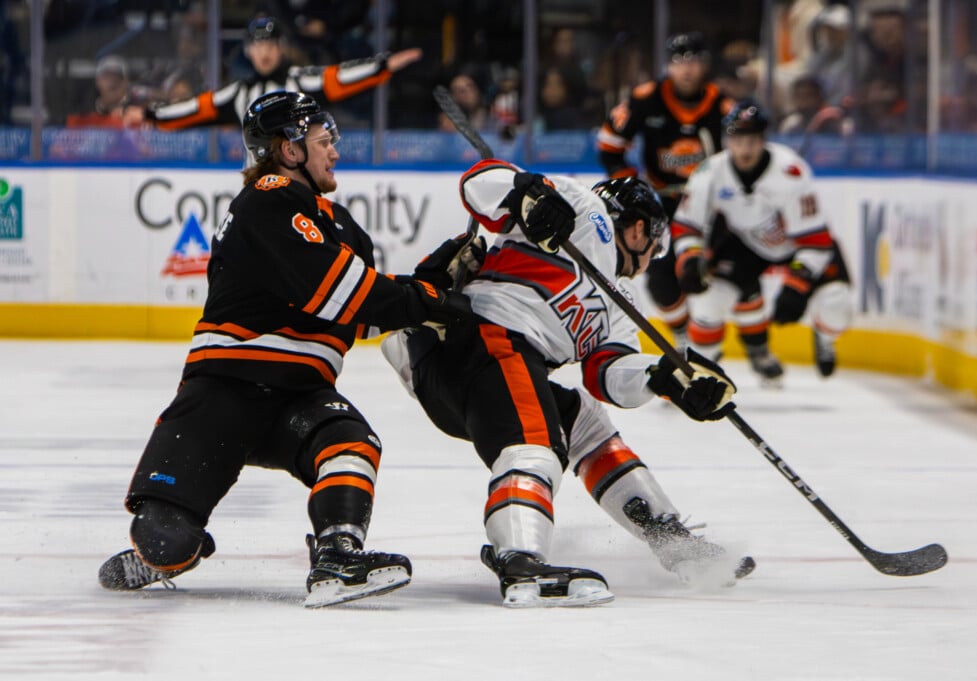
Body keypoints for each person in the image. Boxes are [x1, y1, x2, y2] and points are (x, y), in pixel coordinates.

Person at [97, 91, 471, 608]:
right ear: (289, 150)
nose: (334, 150)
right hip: (225, 393)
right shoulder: (265, 202)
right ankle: (167, 556)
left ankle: (337, 556)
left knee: (351, 443)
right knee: (166, 537)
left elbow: (362, 314)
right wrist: (431, 299)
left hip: (298, 395)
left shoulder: (343, 226)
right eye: (322, 140)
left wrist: (434, 281)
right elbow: (344, 292)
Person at [381, 166, 755, 608]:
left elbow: (608, 375)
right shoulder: (583, 207)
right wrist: (524, 193)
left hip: (480, 373)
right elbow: (477, 183)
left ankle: (670, 538)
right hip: (478, 342)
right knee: (535, 446)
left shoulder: (620, 302)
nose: (649, 260)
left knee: (586, 425)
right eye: (653, 247)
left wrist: (663, 378)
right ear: (639, 230)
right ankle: (520, 561)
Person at [673, 99, 852, 381]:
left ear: (763, 140)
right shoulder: (709, 173)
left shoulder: (791, 172)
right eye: (738, 140)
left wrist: (796, 285)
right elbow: (686, 225)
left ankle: (825, 338)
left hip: (800, 250)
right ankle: (700, 372)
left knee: (837, 304)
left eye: (752, 140)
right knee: (708, 304)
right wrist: (689, 258)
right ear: (727, 141)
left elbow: (816, 242)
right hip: (746, 245)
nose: (745, 149)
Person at [597, 32, 733, 350]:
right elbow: (609, 145)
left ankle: (721, 338)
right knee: (659, 277)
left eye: (694, 61)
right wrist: (634, 189)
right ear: (668, 66)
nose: (687, 68)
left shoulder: (722, 106)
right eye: (679, 61)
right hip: (661, 202)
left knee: (710, 274)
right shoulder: (645, 99)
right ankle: (683, 334)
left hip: (708, 206)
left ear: (705, 65)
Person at [122, 16, 421, 153]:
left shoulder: (300, 80)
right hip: (257, 185)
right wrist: (150, 114)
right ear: (248, 50)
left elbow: (339, 77)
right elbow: (197, 108)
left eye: (270, 44)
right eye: (258, 45)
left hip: (300, 183)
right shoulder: (239, 93)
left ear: (281, 48)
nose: (264, 51)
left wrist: (382, 66)